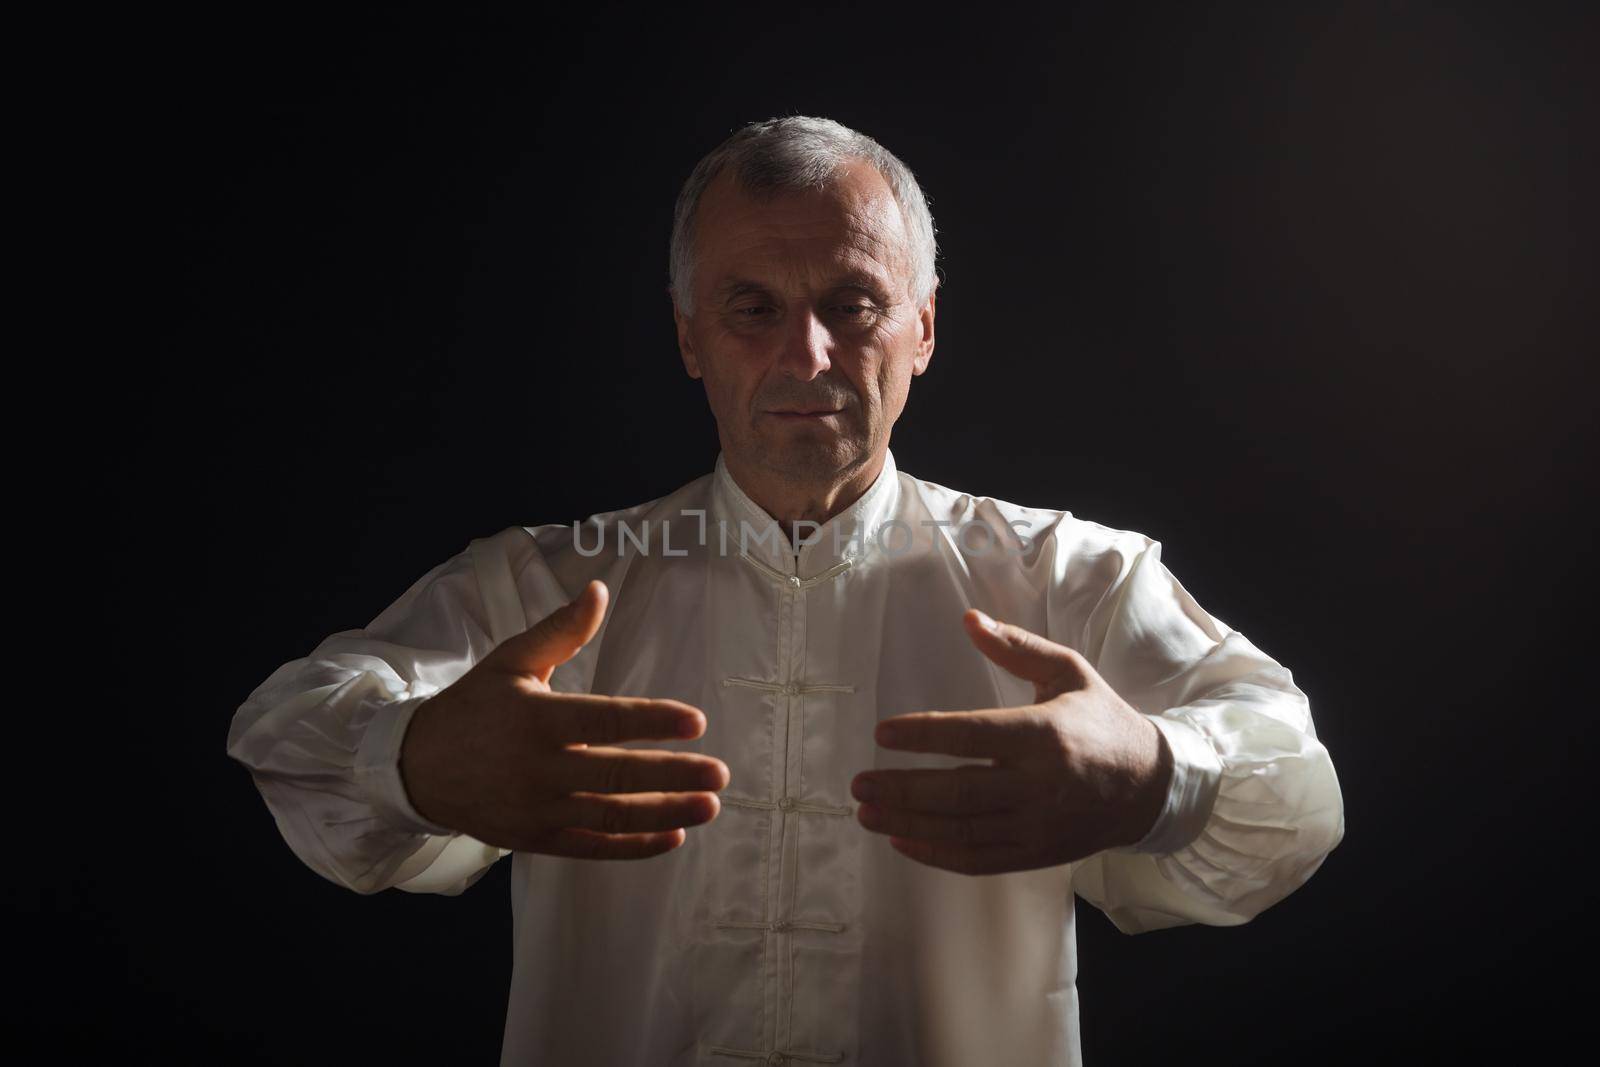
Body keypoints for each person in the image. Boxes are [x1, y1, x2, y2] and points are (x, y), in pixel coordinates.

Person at [227, 115, 1345, 1066]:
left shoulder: (1074, 579)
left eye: (853, 302)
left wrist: (1155, 775)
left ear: (925, 326)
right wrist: (411, 758)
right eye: (751, 307)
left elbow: (1297, 790)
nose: (805, 353)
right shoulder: (544, 582)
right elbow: (287, 732)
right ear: (689, 336)